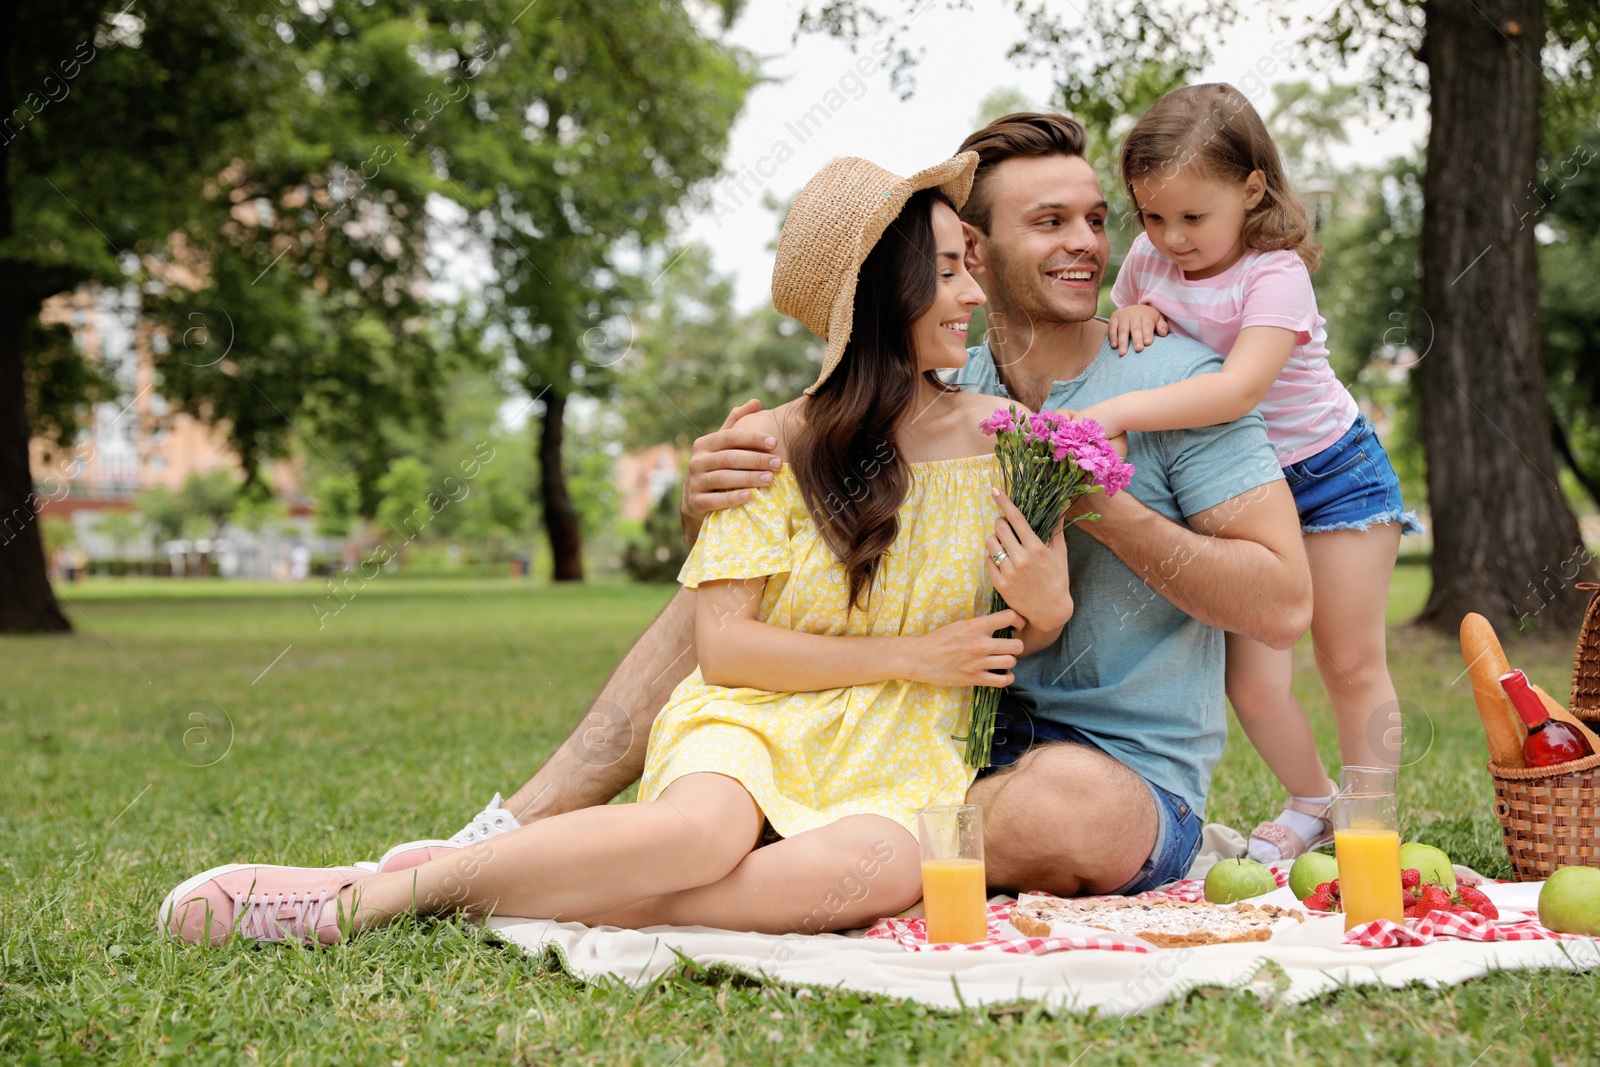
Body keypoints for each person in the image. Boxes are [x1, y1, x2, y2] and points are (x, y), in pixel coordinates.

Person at [348, 112, 1313, 908]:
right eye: (1052, 221)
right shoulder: (945, 382)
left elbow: (1281, 605)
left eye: (1099, 219)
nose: (1092, 245)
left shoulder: (1180, 382)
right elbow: (814, 532)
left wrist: (1106, 503)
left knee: (1065, 811)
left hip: (1101, 768)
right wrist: (715, 508)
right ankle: (529, 822)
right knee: (716, 601)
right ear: (966, 249)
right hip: (920, 732)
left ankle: (640, 883)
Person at [161, 152, 1079, 946]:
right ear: (885, 290)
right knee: (696, 836)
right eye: (951, 269)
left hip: (902, 749)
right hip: (751, 721)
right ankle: (374, 898)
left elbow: (1029, 625)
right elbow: (726, 650)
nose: (973, 290)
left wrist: (1047, 610)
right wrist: (914, 654)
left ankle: (530, 892)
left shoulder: (1009, 438)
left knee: (881, 867)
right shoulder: (765, 446)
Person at [1078, 84, 1423, 863]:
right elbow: (1122, 323)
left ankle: (1369, 825)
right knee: (1254, 683)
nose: (1171, 238)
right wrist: (1125, 314)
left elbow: (1238, 387)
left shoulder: (1275, 274)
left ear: (1252, 188)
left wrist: (1123, 412)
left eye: (1192, 217)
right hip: (1240, 486)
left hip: (1331, 474)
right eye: (1153, 217)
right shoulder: (1146, 259)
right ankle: (1311, 800)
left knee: (1349, 658)